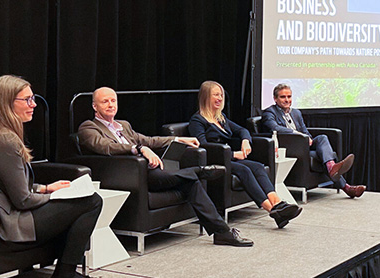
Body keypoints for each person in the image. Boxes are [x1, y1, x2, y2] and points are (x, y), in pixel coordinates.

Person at [77, 87, 253, 247]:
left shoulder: (123, 125)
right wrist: (138, 148)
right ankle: (199, 172)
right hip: (129, 175)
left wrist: (177, 139)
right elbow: (104, 146)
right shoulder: (88, 127)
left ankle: (222, 232)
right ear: (95, 106)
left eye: (113, 100)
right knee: (190, 177)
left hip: (150, 170)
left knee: (190, 182)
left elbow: (148, 139)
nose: (110, 105)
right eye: (105, 101)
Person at [0, 75, 102, 278]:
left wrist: (46, 188)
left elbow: (13, 184)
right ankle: (65, 273)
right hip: (12, 222)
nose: (34, 105)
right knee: (91, 201)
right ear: (6, 103)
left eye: (33, 98)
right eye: (27, 100)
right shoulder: (4, 140)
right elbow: (22, 200)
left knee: (80, 202)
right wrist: (53, 197)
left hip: (12, 212)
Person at [188, 80, 303, 229]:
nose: (220, 98)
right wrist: (234, 154)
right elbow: (203, 146)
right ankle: (273, 211)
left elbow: (243, 130)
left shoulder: (220, 118)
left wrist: (245, 141)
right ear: (205, 97)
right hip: (216, 161)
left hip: (230, 159)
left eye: (221, 95)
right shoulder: (197, 120)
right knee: (245, 169)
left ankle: (277, 203)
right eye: (216, 95)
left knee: (258, 167)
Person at [262, 83, 366, 198]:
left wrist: (308, 138)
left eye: (289, 96)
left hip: (304, 144)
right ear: (275, 99)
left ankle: (331, 167)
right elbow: (275, 128)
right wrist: (300, 135)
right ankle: (346, 187)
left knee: (322, 138)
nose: (287, 100)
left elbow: (304, 130)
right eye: (283, 97)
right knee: (322, 155)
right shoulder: (269, 112)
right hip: (290, 148)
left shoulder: (296, 113)